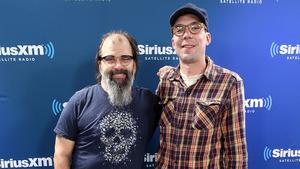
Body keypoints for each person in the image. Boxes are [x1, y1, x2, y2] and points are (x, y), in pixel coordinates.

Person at [156, 3, 248, 168]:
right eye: (179, 29)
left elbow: (236, 152)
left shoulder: (230, 83)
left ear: (207, 38)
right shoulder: (165, 81)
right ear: (173, 42)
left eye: (195, 28)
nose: (186, 35)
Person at [53, 31, 161, 169]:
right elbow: (62, 154)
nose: (118, 66)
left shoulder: (149, 102)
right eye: (110, 59)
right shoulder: (80, 101)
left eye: (125, 58)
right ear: (100, 64)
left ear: (134, 64)